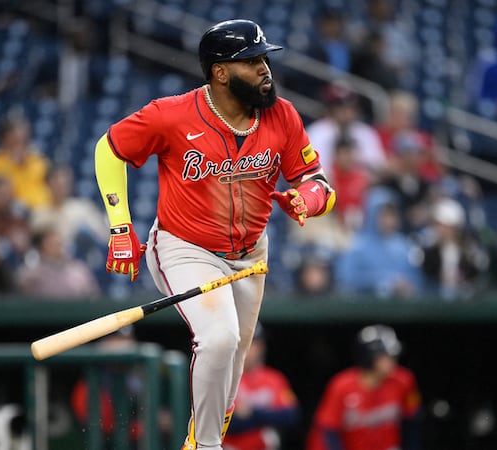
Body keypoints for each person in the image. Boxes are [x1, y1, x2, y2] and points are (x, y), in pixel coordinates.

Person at [93, 19, 336, 450]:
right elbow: (108, 150)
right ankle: (205, 447)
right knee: (219, 337)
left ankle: (201, 440)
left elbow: (317, 181)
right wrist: (120, 226)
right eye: (252, 61)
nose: (265, 69)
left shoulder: (281, 114)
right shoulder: (171, 114)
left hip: (251, 253)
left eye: (265, 59)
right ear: (220, 72)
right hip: (185, 247)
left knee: (235, 356)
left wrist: (312, 198)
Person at [307, 324, 422, 450]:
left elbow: (412, 423)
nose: (392, 360)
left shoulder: (404, 380)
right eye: (385, 356)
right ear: (368, 357)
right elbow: (328, 429)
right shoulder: (342, 385)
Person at [335, 188, 423, 299]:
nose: (389, 221)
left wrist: (406, 284)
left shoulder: (404, 246)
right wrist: (385, 282)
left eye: (392, 215)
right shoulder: (356, 247)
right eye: (384, 215)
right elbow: (346, 279)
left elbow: (417, 278)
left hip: (400, 312)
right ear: (372, 215)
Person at [224, 323, 300, 450]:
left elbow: (290, 416)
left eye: (251, 343)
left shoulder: (274, 379)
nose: (244, 349)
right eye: (240, 343)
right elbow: (226, 424)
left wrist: (252, 412)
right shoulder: (225, 379)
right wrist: (267, 415)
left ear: (261, 347)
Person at [0, 114, 52, 211]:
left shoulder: (39, 160)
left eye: (24, 137)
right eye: (15, 137)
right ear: (4, 138)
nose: (21, 139)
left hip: (43, 211)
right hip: (11, 214)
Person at [16, 225, 101, 300]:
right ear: (41, 247)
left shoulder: (79, 269)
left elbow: (93, 297)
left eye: (59, 243)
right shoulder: (30, 274)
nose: (58, 248)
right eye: (52, 244)